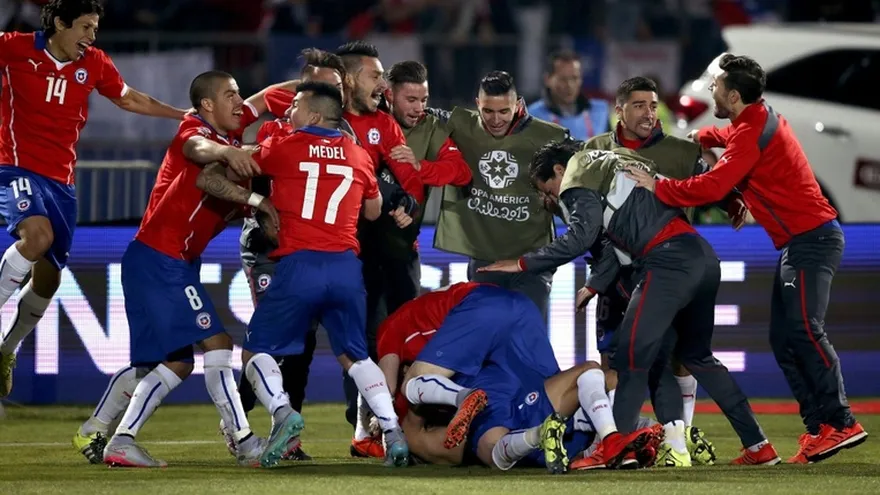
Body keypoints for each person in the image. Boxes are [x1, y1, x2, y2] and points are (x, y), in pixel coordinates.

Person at [625, 53, 868, 464]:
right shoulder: (754, 119)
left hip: (813, 240)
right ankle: (819, 428)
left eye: (717, 86)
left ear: (733, 95)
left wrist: (660, 186)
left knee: (805, 330)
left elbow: (713, 184)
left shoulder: (750, 132)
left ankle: (842, 423)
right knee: (784, 339)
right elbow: (729, 137)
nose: (712, 91)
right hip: (799, 242)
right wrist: (702, 137)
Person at [479, 142, 781, 466]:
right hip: (703, 257)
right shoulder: (617, 162)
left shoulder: (575, 178)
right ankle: (757, 445)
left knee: (630, 358)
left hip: (666, 260)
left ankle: (611, 447)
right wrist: (595, 283)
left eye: (547, 189)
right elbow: (614, 243)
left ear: (558, 171)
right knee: (697, 357)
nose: (551, 197)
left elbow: (581, 237)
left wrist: (523, 264)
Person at [198, 81, 411, 469]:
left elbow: (214, 175)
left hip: (299, 266)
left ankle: (283, 411)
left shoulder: (283, 146)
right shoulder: (359, 155)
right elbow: (374, 212)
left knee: (255, 352)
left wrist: (256, 197)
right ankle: (392, 429)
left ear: (313, 114)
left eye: (294, 105)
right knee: (355, 356)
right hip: (347, 268)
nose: (287, 111)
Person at [0, 0, 190, 397]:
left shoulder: (96, 63)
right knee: (36, 238)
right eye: (85, 27)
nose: (90, 37)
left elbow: (129, 98)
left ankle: (7, 349)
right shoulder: (14, 48)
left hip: (62, 184)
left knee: (48, 280)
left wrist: (181, 115)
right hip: (13, 167)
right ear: (59, 24)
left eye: (95, 29)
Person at [98, 70, 272, 468]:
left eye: (239, 93)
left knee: (174, 362)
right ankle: (244, 442)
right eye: (230, 94)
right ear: (207, 104)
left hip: (161, 259)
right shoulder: (195, 129)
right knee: (219, 345)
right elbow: (197, 151)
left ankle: (113, 437)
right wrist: (233, 161)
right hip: (163, 258)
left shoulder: (230, 138)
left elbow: (266, 100)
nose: (239, 102)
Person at [579, 75, 740, 467]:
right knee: (614, 360)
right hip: (617, 274)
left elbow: (717, 187)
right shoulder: (594, 151)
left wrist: (733, 202)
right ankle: (621, 438)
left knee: (678, 357)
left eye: (653, 105)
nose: (649, 113)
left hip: (667, 272)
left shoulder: (683, 152)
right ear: (618, 110)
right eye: (639, 105)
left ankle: (677, 439)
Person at [377, 281, 658, 472]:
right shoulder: (462, 349)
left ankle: (473, 403)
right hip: (517, 320)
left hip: (487, 385)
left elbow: (387, 391)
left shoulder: (393, 329)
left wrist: (381, 426)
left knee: (413, 384)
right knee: (587, 374)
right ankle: (626, 434)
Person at [343, 59, 472, 457]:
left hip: (403, 251)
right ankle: (363, 427)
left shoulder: (433, 128)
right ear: (389, 94)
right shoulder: (372, 122)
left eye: (424, 98)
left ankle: (396, 425)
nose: (418, 107)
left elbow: (461, 171)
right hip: (359, 248)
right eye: (410, 98)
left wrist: (418, 167)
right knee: (365, 340)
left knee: (406, 341)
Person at [230, 47, 350, 463]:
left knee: (299, 343)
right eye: (314, 84)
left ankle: (288, 432)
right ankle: (239, 420)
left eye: (333, 85)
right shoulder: (271, 134)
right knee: (269, 339)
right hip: (267, 247)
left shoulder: (345, 139)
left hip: (312, 253)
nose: (324, 90)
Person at [428, 71, 569, 318]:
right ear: (477, 104)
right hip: (485, 259)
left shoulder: (552, 138)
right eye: (488, 111)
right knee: (486, 337)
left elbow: (583, 178)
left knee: (525, 337)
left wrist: (561, 208)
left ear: (518, 104)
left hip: (532, 261)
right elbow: (420, 113)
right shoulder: (462, 125)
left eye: (504, 111)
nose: (496, 120)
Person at [527, 49, 610, 140]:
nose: (569, 85)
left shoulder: (600, 110)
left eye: (575, 78)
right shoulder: (533, 116)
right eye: (563, 79)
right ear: (548, 79)